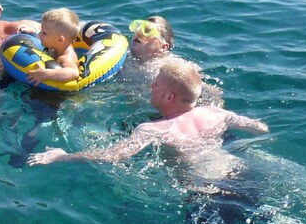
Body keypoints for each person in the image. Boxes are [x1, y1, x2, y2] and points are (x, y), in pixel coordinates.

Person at [28, 59, 267, 166]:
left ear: (169, 97)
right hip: (238, 170)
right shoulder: (215, 112)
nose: (151, 87)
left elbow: (115, 155)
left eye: (155, 84)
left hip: (206, 189)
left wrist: (61, 157)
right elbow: (258, 127)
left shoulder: (154, 129)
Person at [26, 8, 81, 85]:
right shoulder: (57, 45)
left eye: (44, 33)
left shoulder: (65, 57)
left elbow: (74, 72)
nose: (40, 34)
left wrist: (46, 74)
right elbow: (49, 35)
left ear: (60, 40)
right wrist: (34, 31)